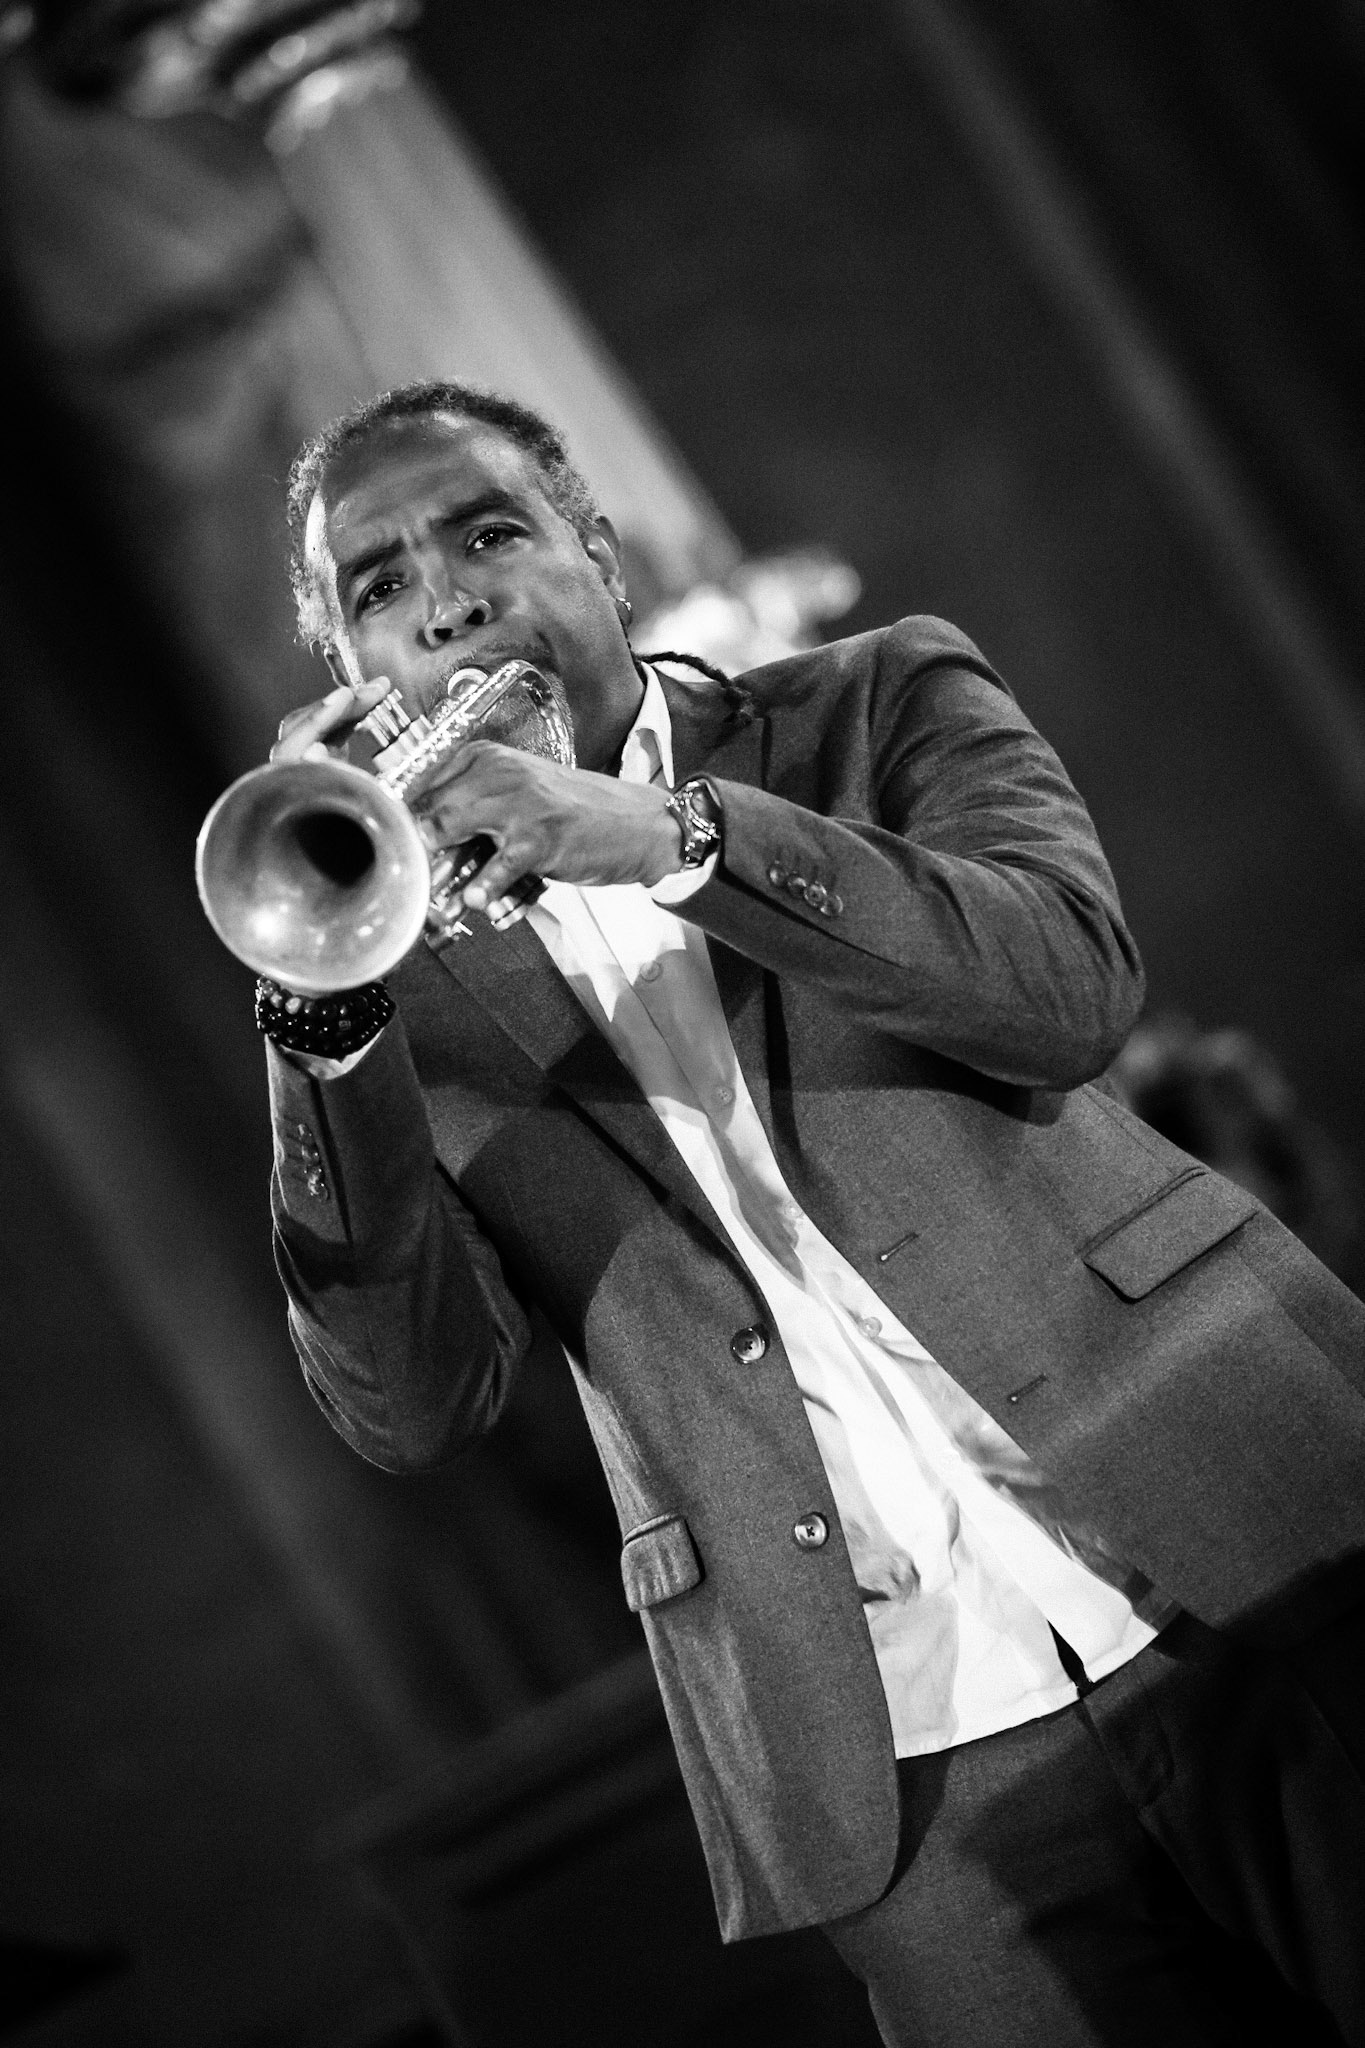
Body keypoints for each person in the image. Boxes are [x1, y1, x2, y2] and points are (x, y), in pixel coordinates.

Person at [259, 379, 1365, 2048]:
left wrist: (674, 842)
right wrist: (323, 1028)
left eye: (491, 532)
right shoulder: (379, 971)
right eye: (381, 587)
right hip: (901, 1767)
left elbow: (1066, 991)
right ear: (353, 680)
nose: (448, 598)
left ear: (600, 556)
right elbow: (413, 1407)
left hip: (1252, 1542)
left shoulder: (877, 699)